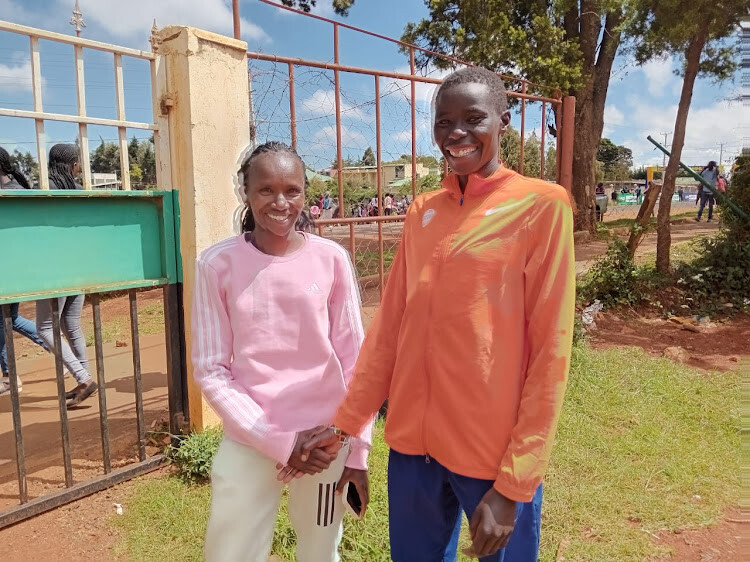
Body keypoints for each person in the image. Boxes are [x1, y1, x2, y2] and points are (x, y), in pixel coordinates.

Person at [302, 67, 575, 561]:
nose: (456, 133)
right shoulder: (422, 211)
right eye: (444, 122)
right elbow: (389, 330)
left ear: (503, 122)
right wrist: (345, 423)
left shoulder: (541, 206)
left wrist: (516, 482)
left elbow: (550, 355)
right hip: (412, 449)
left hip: (489, 453)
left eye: (473, 118)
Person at [192, 141, 372, 562]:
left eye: (292, 190)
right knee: (231, 553)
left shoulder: (331, 259)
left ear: (305, 194)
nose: (280, 202)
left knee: (321, 550)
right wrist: (280, 441)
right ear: (245, 192)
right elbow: (211, 369)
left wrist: (356, 447)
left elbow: (356, 362)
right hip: (252, 437)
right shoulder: (216, 264)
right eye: (265, 190)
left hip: (326, 440)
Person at [35, 144, 97, 408]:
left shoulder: (43, 190)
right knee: (70, 325)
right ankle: (85, 380)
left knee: (45, 327)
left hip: (52, 270)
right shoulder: (79, 191)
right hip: (77, 268)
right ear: (72, 165)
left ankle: (83, 378)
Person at [0, 147, 49, 395]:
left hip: (8, 268)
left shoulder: (10, 194)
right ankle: (60, 351)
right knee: (12, 319)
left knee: (4, 321)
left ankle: (10, 376)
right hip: (13, 267)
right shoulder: (17, 189)